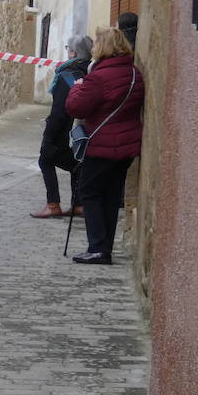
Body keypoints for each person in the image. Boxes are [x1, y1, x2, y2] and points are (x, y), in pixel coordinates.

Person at [65, 27, 145, 265]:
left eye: (97, 42)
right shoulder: (134, 73)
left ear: (104, 46)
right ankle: (104, 247)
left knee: (89, 192)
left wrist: (78, 87)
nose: (94, 46)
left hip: (102, 144)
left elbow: (76, 108)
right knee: (110, 195)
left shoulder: (98, 77)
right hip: (127, 144)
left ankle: (98, 248)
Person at [30, 34, 92, 218]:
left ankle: (53, 204)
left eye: (68, 49)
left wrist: (48, 137)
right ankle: (79, 203)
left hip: (61, 128)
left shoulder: (67, 75)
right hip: (77, 127)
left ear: (73, 52)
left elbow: (58, 111)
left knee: (45, 159)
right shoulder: (87, 72)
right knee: (74, 165)